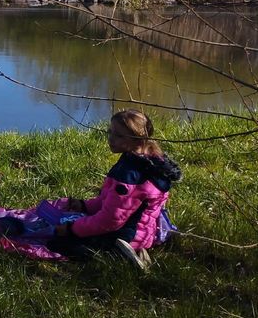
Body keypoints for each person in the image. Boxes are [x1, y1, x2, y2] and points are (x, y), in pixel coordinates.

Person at [48, 110, 180, 269]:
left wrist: (71, 229)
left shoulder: (130, 174)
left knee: (56, 242)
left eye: (118, 135)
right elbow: (112, 202)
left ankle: (121, 255)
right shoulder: (152, 162)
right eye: (110, 132)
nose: (110, 138)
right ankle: (132, 250)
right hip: (145, 232)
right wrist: (84, 206)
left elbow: (110, 220)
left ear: (137, 139)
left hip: (126, 236)